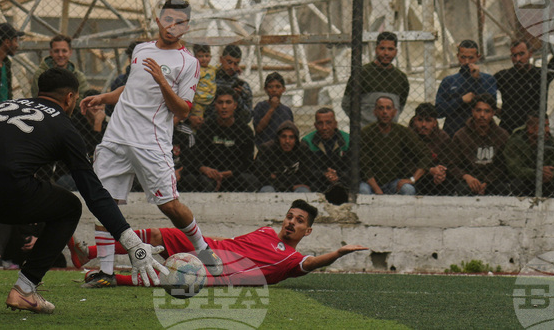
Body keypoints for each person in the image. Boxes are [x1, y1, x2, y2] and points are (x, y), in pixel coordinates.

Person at [0, 68, 166, 314]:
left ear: (39, 91)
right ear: (70, 98)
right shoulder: (65, 128)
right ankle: (25, 289)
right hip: (6, 188)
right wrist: (132, 242)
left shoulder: (2, 106)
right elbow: (93, 192)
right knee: (70, 207)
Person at [79, 0, 218, 288]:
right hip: (117, 135)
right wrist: (104, 98)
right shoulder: (142, 49)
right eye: (168, 19)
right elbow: (132, 87)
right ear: (158, 20)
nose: (172, 26)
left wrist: (163, 83)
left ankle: (203, 249)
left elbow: (182, 110)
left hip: (151, 142)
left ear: (186, 27)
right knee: (104, 201)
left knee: (169, 205)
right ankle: (106, 272)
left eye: (179, 22)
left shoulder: (188, 63)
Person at [68, 200, 367, 286]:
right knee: (160, 235)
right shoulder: (265, 231)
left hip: (219, 271)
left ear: (308, 231)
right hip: (206, 246)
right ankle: (89, 254)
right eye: (290, 216)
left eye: (299, 221)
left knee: (170, 277)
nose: (291, 222)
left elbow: (311, 263)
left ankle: (111, 280)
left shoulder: (289, 261)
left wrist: (337, 254)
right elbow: (234, 242)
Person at [181, 88, 257, 192]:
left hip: (234, 175)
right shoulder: (206, 129)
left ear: (235, 105)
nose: (224, 107)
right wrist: (205, 169)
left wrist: (228, 173)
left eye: (228, 102)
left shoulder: (244, 131)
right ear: (215, 106)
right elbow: (196, 157)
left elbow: (247, 162)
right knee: (197, 180)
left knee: (250, 180)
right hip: (210, 176)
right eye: (220, 103)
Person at [359, 96, 430, 196]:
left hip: (393, 182)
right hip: (370, 183)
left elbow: (425, 154)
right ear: (375, 112)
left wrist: (413, 179)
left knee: (408, 190)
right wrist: (377, 189)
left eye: (388, 108)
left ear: (395, 112)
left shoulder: (402, 132)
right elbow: (364, 166)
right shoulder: (366, 133)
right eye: (381, 108)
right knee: (363, 191)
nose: (384, 112)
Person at [342, 32, 410, 127]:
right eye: (382, 48)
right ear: (376, 50)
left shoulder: (401, 78)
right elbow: (346, 103)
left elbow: (400, 106)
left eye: (390, 49)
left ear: (396, 52)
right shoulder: (362, 73)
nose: (386, 53)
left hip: (390, 134)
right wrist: (362, 124)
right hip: (364, 134)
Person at [494, 40, 554, 134]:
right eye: (514, 55)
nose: (518, 59)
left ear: (530, 54)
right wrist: (495, 110)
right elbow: (485, 89)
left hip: (534, 130)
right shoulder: (504, 76)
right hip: (509, 128)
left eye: (521, 54)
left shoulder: (539, 75)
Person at [448, 95, 509, 196]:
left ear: (493, 113)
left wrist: (487, 182)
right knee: (461, 188)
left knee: (503, 188)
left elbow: (503, 165)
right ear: (472, 112)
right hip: (468, 180)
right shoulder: (460, 135)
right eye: (478, 110)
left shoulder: (502, 135)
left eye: (487, 111)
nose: (482, 115)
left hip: (493, 180)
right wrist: (466, 177)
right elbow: (452, 164)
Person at [436, 40, 498, 136]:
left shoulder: (488, 80)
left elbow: (491, 106)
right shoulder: (449, 81)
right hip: (454, 133)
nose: (466, 62)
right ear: (458, 56)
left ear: (478, 57)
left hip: (481, 134)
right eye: (463, 57)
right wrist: (460, 101)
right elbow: (438, 111)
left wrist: (477, 80)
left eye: (471, 58)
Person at [302, 108, 351, 204]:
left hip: (343, 182)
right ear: (315, 125)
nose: (324, 127)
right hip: (317, 183)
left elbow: (352, 168)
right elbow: (306, 170)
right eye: (320, 123)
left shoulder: (347, 140)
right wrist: (324, 174)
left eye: (328, 123)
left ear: (335, 124)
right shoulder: (307, 141)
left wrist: (338, 176)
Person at [503, 115, 554, 197]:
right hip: (524, 180)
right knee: (516, 185)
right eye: (543, 126)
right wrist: (537, 172)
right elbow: (514, 170)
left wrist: (549, 173)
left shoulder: (551, 142)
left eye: (548, 126)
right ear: (530, 128)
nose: (548, 130)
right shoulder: (516, 141)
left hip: (544, 180)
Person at [255, 120, 311, 193]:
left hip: (295, 187)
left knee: (304, 191)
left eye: (291, 137)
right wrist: (291, 184)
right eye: (283, 136)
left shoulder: (303, 150)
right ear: (278, 138)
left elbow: (305, 176)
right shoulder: (266, 149)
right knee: (267, 190)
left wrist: (276, 176)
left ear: (296, 139)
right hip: (272, 186)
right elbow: (262, 176)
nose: (287, 141)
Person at [408, 103, 451, 196]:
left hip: (435, 179)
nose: (423, 124)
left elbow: (447, 162)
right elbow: (405, 165)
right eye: (420, 120)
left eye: (428, 121)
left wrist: (440, 172)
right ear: (415, 120)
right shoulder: (407, 136)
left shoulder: (443, 138)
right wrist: (429, 170)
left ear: (435, 123)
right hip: (413, 177)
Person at [252, 72, 294, 148]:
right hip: (265, 149)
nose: (274, 90)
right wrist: (272, 108)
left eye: (278, 87)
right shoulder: (261, 106)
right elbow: (258, 129)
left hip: (283, 150)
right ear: (265, 89)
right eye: (270, 87)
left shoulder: (287, 110)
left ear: (283, 89)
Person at [215, 44, 254, 124]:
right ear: (221, 60)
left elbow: (247, 118)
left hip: (236, 130)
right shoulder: (210, 81)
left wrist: (238, 99)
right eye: (229, 62)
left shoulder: (243, 87)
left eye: (236, 64)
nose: (232, 67)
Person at [189, 43, 216, 128]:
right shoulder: (196, 70)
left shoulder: (212, 69)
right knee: (198, 121)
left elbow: (224, 66)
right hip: (198, 102)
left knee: (210, 122)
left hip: (211, 101)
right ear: (195, 57)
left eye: (207, 56)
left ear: (211, 57)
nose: (204, 59)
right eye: (200, 56)